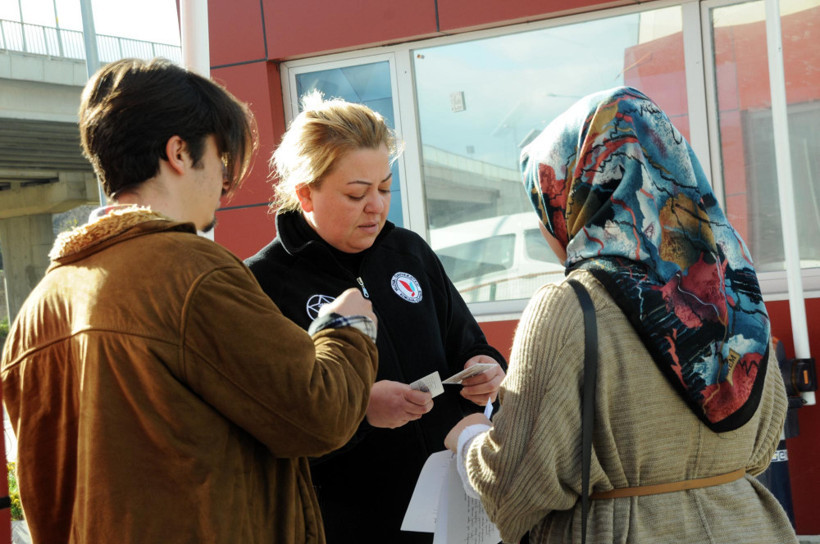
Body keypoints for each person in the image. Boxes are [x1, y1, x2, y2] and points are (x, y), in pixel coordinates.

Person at [1, 58, 379, 544]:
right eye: (221, 158)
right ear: (179, 152)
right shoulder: (191, 273)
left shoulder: (37, 311)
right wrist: (346, 329)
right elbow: (319, 414)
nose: (225, 182)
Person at [444, 86, 797, 543]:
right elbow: (763, 444)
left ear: (576, 193)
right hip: (748, 524)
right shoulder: (734, 289)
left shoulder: (569, 304)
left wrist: (469, 442)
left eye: (545, 200)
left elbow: (517, 484)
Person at [245, 92, 507, 542]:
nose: (377, 207)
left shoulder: (408, 251)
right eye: (356, 194)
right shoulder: (264, 282)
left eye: (385, 188)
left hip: (457, 514)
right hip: (354, 522)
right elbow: (273, 430)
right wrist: (359, 410)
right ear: (305, 194)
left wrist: (485, 369)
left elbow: (466, 341)